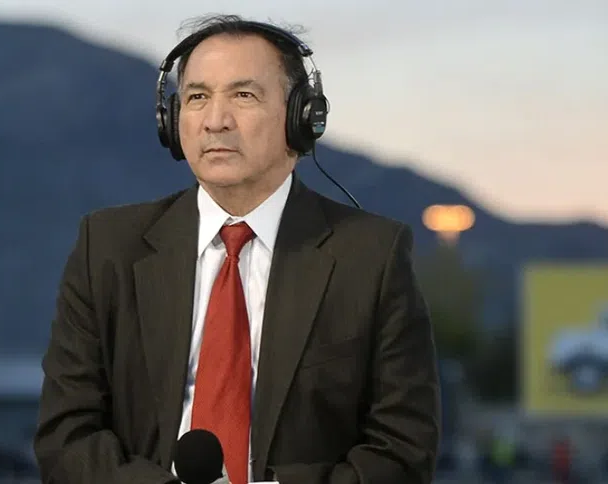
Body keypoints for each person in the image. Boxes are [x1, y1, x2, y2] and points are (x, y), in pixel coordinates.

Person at [33, 14, 441, 484]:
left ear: (302, 118)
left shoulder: (372, 256)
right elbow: (66, 437)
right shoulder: (107, 247)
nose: (215, 121)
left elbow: (403, 448)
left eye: (243, 96)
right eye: (197, 97)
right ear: (172, 120)